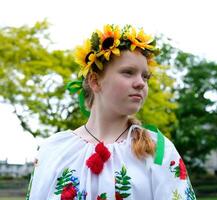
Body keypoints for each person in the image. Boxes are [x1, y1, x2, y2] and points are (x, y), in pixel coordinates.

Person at [26, 24, 196, 200]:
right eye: (128, 72)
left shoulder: (158, 149)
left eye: (145, 76)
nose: (141, 83)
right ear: (95, 81)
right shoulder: (54, 149)